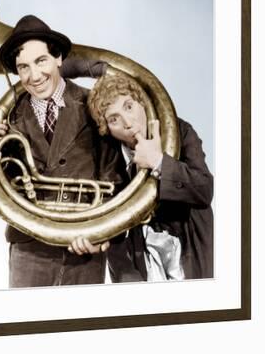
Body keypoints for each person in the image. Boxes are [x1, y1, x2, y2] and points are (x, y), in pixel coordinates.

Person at [0, 15, 121, 288]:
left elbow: (115, 177)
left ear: (58, 58)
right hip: (29, 250)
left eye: (41, 61)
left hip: (83, 245)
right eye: (23, 67)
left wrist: (105, 233)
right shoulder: (6, 119)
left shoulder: (93, 103)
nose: (34, 76)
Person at [68, 71, 214, 281]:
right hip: (135, 263)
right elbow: (106, 213)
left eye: (129, 107)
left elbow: (204, 190)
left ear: (141, 102)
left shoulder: (180, 131)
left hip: (186, 254)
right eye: (114, 119)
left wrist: (158, 162)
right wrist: (95, 236)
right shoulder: (106, 156)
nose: (128, 123)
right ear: (106, 128)